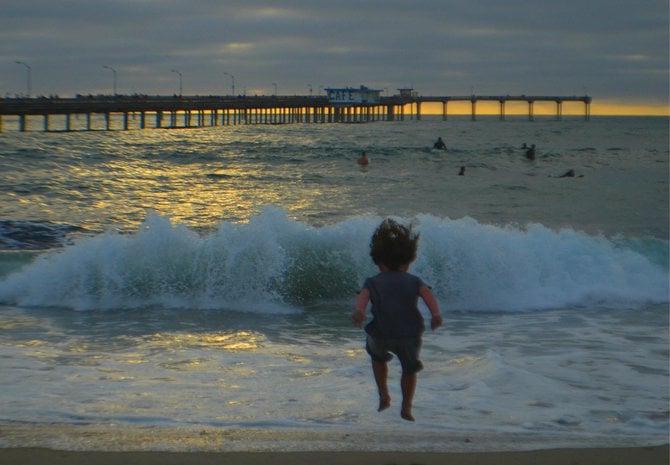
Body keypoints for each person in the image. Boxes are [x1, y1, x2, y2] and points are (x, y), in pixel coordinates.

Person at [351, 219, 443, 421]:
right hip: (409, 335)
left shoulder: (372, 282)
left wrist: (359, 311)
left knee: (377, 357)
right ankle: (406, 407)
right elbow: (427, 295)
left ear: (378, 261)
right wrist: (435, 315)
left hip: (381, 333)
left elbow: (363, 297)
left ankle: (383, 393)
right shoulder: (414, 281)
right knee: (409, 369)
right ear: (408, 261)